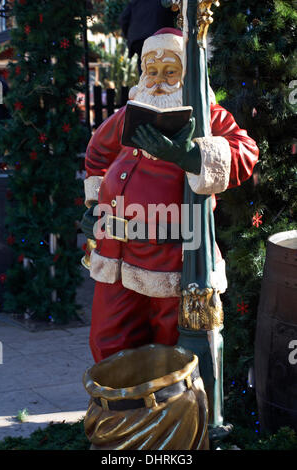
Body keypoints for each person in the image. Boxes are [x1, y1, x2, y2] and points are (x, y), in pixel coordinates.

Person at [81, 28, 259, 363]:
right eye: (152, 71)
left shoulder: (208, 116)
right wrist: (94, 205)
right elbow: (97, 154)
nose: (159, 80)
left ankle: (166, 411)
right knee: (108, 341)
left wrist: (189, 156)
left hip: (173, 257)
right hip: (116, 253)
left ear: (187, 74)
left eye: (170, 71)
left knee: (170, 349)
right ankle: (122, 411)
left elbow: (245, 153)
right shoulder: (128, 116)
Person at [119, 0, 177, 75]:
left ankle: (145, 84)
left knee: (144, 66)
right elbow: (176, 11)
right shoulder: (164, 1)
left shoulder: (135, 2)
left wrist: (129, 36)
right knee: (162, 65)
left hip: (139, 39)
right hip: (159, 36)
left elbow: (123, 19)